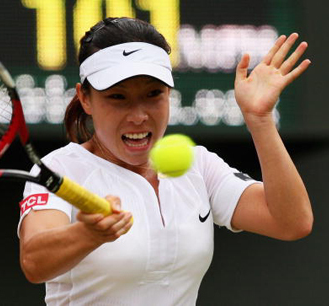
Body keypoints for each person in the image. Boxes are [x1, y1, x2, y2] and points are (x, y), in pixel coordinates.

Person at [18, 17, 313, 305]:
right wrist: (87, 233)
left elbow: (291, 222)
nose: (138, 116)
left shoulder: (200, 166)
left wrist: (260, 120)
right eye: (117, 97)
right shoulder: (57, 170)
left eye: (153, 94)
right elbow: (34, 261)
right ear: (85, 99)